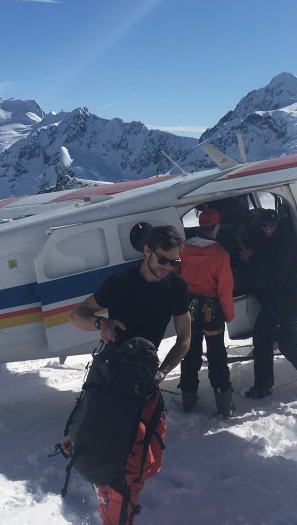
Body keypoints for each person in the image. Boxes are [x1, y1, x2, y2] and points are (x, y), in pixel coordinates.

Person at [70, 224, 192, 525]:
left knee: (150, 457)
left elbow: (184, 339)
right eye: (163, 260)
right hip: (112, 375)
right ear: (147, 250)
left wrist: (162, 373)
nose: (168, 267)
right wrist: (100, 324)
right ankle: (115, 503)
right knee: (128, 458)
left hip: (147, 377)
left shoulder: (176, 287)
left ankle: (113, 490)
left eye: (174, 261)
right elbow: (77, 315)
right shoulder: (120, 282)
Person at [240, 209, 297, 399]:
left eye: (271, 225)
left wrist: (252, 258)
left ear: (277, 224)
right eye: (264, 225)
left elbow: (277, 269)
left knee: (288, 345)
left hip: (289, 302)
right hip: (271, 302)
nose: (268, 228)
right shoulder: (263, 240)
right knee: (261, 342)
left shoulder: (286, 241)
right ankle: (263, 385)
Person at [177, 207, 235, 417]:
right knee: (217, 357)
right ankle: (224, 406)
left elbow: (175, 276)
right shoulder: (220, 254)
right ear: (217, 226)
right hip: (212, 312)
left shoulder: (183, 249)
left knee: (190, 355)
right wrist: (228, 314)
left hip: (189, 310)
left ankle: (188, 401)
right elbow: (225, 289)